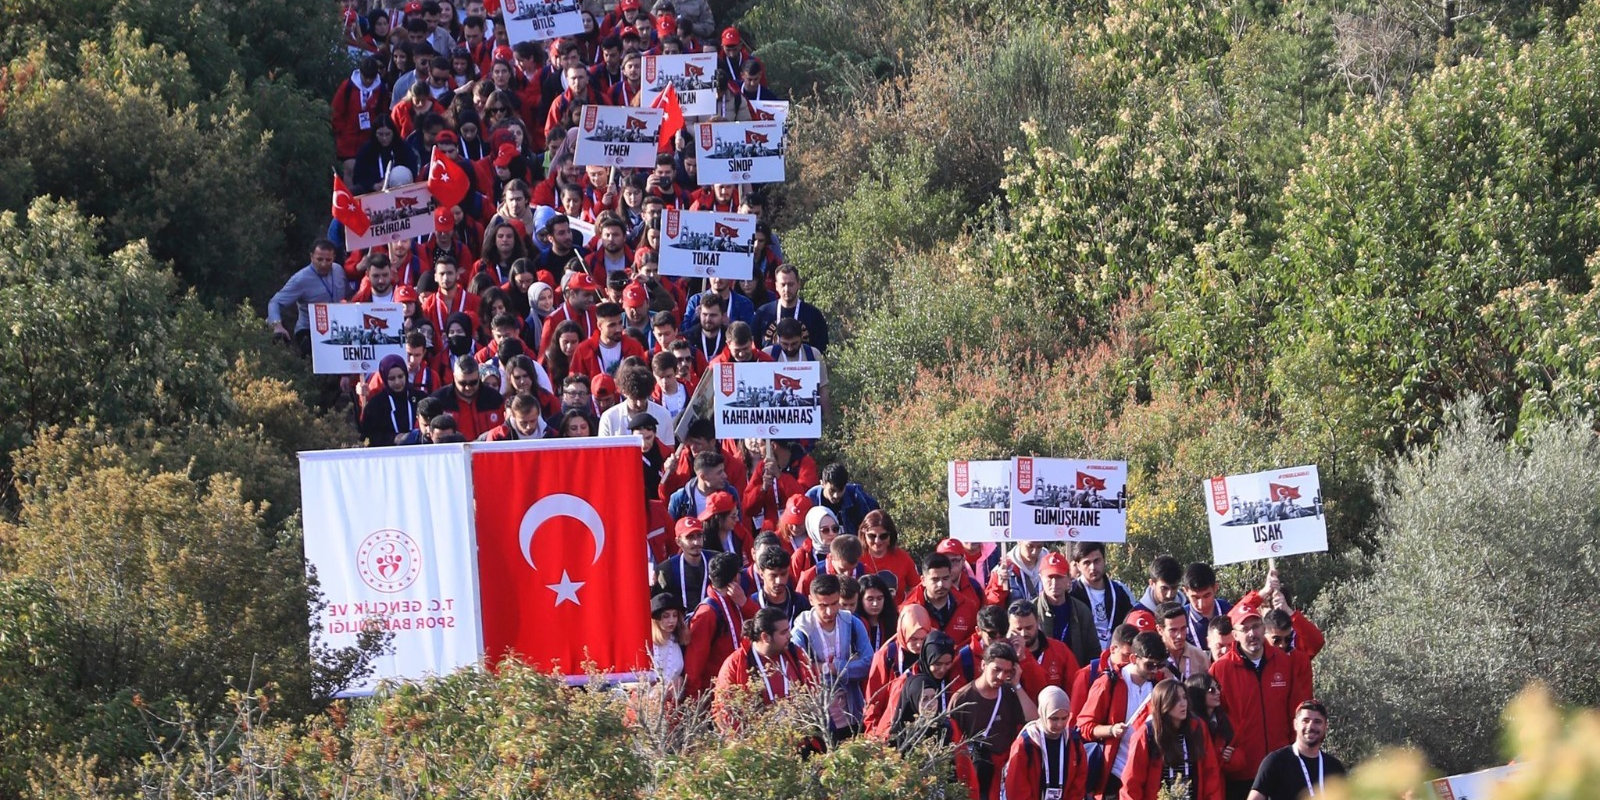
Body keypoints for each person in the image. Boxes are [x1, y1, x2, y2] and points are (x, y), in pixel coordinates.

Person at [1209, 592, 1311, 800]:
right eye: (1244, 629)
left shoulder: (1283, 662)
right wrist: (1225, 750)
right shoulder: (1220, 669)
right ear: (1235, 635)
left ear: (1264, 629)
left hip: (1281, 765)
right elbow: (1212, 716)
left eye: (1256, 626)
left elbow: (1297, 710)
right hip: (1242, 770)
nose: (1252, 633)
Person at [1078, 631, 1170, 800]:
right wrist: (1111, 730)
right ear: (1134, 659)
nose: (1155, 670)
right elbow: (1083, 727)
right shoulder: (1109, 682)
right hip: (1113, 774)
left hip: (1144, 775)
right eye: (1150, 665)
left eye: (1160, 665)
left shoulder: (1158, 687)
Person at [791, 573, 874, 740]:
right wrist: (850, 666)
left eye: (835, 604)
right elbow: (800, 673)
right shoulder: (802, 631)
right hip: (819, 719)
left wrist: (833, 667)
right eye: (822, 605)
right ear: (811, 600)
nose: (829, 611)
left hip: (853, 712)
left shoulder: (852, 623)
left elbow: (869, 663)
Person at [951, 641, 1038, 800]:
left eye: (1007, 672)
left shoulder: (1010, 693)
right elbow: (951, 741)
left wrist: (1017, 685)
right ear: (983, 665)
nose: (1001, 677)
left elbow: (1034, 720)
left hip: (1005, 772)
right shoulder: (962, 698)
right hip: (975, 773)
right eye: (996, 670)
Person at [1118, 679, 1226, 800]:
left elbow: (1210, 773)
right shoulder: (1146, 734)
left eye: (1184, 697)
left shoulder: (1197, 727)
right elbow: (1132, 783)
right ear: (1163, 703)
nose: (1183, 703)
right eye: (1176, 700)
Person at [712, 607, 814, 729]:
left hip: (799, 738)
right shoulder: (735, 664)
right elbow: (723, 712)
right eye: (783, 632)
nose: (790, 635)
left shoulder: (795, 654)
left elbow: (813, 692)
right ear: (765, 637)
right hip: (758, 743)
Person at [684, 551, 755, 698]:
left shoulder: (737, 601)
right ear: (736, 577)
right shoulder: (707, 613)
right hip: (716, 697)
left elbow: (764, 625)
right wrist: (696, 708)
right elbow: (694, 667)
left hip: (738, 691)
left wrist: (745, 604)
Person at [877, 629, 963, 744]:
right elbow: (890, 724)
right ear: (927, 659)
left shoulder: (953, 680)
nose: (943, 669)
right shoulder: (907, 683)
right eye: (937, 664)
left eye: (948, 663)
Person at [1247, 701, 1344, 800]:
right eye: (1305, 720)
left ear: (1325, 726)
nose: (1310, 726)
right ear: (1295, 724)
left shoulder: (1334, 767)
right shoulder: (1276, 761)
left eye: (1317, 721)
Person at [1004, 685, 1089, 800]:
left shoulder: (1074, 741)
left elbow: (1079, 780)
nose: (1060, 724)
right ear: (1042, 713)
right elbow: (1016, 786)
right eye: (1054, 719)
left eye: (1064, 718)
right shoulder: (1026, 743)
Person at [268, 240, 348, 354]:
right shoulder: (300, 279)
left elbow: (349, 294)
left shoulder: (338, 270)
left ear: (334, 257)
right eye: (319, 259)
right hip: (309, 330)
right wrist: (277, 325)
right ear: (311, 257)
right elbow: (275, 302)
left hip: (338, 328)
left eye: (328, 260)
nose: (324, 264)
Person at [864, 604, 933, 720]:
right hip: (891, 724)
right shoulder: (886, 656)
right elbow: (873, 702)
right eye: (913, 639)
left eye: (923, 639)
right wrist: (874, 733)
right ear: (903, 632)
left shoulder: (933, 651)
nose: (919, 644)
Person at [1034, 552, 1100, 668]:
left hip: (1075, 676)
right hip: (1040, 677)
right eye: (1050, 577)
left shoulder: (1082, 611)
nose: (1054, 583)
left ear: (1069, 578)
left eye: (1059, 577)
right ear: (1041, 578)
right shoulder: (1032, 610)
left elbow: (1093, 653)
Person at [1070, 542, 1135, 654]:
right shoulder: (1072, 593)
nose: (1093, 567)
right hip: (1084, 659)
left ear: (1104, 560)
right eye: (1087, 563)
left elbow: (1130, 622)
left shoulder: (1119, 591)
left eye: (1097, 561)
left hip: (1115, 656)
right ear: (1078, 565)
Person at [1008, 600, 1081, 699]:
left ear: (1038, 622)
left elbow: (1075, 688)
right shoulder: (1005, 654)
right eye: (1018, 629)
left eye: (1029, 628)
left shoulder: (1059, 649)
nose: (1023, 634)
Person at [900, 553, 978, 646]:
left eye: (945, 578)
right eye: (935, 579)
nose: (941, 584)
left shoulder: (968, 607)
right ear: (923, 580)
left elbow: (973, 644)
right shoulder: (908, 611)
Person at [597, 357, 675, 444]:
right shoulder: (608, 418)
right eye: (634, 399)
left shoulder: (664, 415)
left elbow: (669, 450)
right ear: (624, 392)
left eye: (643, 398)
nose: (639, 404)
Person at [752, 263, 829, 350]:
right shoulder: (763, 314)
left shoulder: (813, 315)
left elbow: (822, 349)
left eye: (791, 284)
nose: (787, 289)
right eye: (783, 285)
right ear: (776, 286)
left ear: (798, 284)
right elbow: (755, 348)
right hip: (771, 362)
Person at [428, 356, 505, 441]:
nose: (468, 387)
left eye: (473, 382)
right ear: (454, 377)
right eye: (462, 383)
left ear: (479, 377)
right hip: (451, 452)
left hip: (486, 452)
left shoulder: (495, 399)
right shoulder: (439, 400)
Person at [358, 354, 427, 445]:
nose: (397, 382)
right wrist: (395, 439)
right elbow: (369, 437)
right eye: (392, 378)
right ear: (384, 379)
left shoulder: (420, 398)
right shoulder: (375, 405)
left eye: (400, 376)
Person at [1185, 674, 1237, 779]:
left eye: (1217, 687)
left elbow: (1239, 753)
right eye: (1211, 690)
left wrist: (1230, 758)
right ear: (1198, 694)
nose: (1218, 692)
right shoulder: (1190, 725)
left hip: (1220, 782)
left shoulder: (1223, 719)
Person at [804, 463, 879, 535]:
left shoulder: (855, 495)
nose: (836, 495)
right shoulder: (810, 498)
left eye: (841, 490)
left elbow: (871, 524)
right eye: (832, 490)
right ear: (822, 484)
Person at [857, 509, 919, 596]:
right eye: (872, 536)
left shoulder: (902, 557)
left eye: (883, 536)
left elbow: (917, 588)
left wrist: (907, 606)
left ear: (891, 535)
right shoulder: (856, 558)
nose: (877, 541)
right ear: (864, 534)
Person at [655, 517, 709, 612]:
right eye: (690, 537)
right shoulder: (666, 570)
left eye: (699, 536)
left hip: (711, 621)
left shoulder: (715, 561)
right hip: (679, 623)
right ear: (678, 542)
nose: (696, 542)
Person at [1127, 554, 1187, 629]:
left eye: (1174, 588)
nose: (1169, 594)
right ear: (1151, 583)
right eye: (1164, 588)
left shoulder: (1188, 609)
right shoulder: (1136, 616)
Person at [1183, 563, 1233, 651]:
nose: (1202, 604)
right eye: (1195, 597)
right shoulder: (1181, 617)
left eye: (1206, 596)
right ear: (1185, 591)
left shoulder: (1228, 609)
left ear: (1215, 588)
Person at [985, 540, 1050, 608]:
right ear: (1019, 541)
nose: (1034, 552)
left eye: (1039, 547)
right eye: (1030, 546)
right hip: (1014, 617)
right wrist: (999, 586)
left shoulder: (1051, 565)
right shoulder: (1004, 568)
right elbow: (991, 607)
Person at [751, 546, 807, 622]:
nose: (779, 581)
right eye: (773, 575)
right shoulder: (753, 603)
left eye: (783, 574)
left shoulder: (801, 602)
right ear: (761, 574)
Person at [649, 592, 689, 698]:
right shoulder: (647, 644)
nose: (671, 620)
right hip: (649, 704)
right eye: (666, 616)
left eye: (675, 615)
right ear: (656, 619)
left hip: (675, 703)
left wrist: (681, 680)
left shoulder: (681, 642)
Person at [1159, 602, 1212, 680]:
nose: (1180, 635)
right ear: (1160, 630)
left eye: (1183, 628)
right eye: (1173, 630)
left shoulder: (1200, 657)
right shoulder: (1153, 660)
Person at [478, 391, 548, 440]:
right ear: (513, 416)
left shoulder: (551, 436)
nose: (528, 427)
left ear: (538, 414)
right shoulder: (498, 437)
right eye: (523, 422)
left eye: (532, 421)